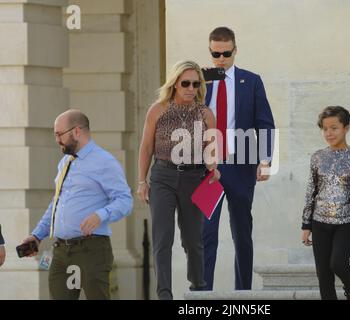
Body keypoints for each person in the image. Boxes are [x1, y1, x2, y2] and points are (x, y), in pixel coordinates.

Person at [21, 109, 133, 300]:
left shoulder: (104, 161)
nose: (56, 139)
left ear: (77, 131)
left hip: (91, 250)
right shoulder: (65, 162)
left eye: (59, 134)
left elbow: (125, 200)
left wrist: (101, 215)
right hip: (61, 252)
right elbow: (57, 203)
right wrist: (36, 235)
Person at [137, 60, 220, 300]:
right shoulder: (158, 109)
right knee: (163, 239)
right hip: (163, 176)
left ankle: (197, 288)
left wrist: (213, 167)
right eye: (185, 83)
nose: (191, 88)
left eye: (195, 84)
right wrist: (142, 182)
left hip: (194, 178)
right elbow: (146, 148)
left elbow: (211, 149)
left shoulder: (206, 113)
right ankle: (164, 295)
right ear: (174, 84)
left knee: (193, 241)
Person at [202, 27, 276, 291]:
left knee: (242, 233)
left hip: (240, 164)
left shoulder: (251, 81)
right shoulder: (199, 80)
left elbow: (265, 123)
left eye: (226, 53)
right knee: (205, 233)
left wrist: (266, 160)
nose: (220, 59)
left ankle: (243, 291)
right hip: (208, 168)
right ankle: (201, 294)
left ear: (235, 50)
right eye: (215, 54)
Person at [301, 106, 350, 300]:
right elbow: (311, 191)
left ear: (346, 128)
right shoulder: (317, 157)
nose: (329, 133)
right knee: (324, 275)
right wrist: (306, 224)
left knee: (338, 263)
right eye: (325, 129)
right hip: (319, 222)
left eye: (334, 128)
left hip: (347, 223)